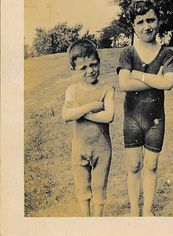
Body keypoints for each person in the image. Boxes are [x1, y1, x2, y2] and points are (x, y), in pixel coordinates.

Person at [117, 0, 173, 217]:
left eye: (151, 20)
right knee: (134, 166)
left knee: (151, 166)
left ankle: (147, 211)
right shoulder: (128, 53)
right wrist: (155, 79)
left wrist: (138, 74)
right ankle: (134, 211)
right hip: (132, 119)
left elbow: (168, 83)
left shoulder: (166, 54)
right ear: (133, 26)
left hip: (156, 121)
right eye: (140, 22)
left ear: (159, 21)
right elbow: (124, 84)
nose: (147, 26)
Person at [62, 39, 115, 217]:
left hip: (102, 149)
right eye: (83, 68)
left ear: (99, 62)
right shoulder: (72, 90)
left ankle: (97, 220)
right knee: (82, 186)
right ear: (73, 69)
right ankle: (86, 219)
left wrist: (80, 112)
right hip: (80, 148)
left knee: (99, 186)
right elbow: (66, 115)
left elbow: (109, 116)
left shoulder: (106, 89)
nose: (90, 70)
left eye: (93, 64)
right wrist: (90, 106)